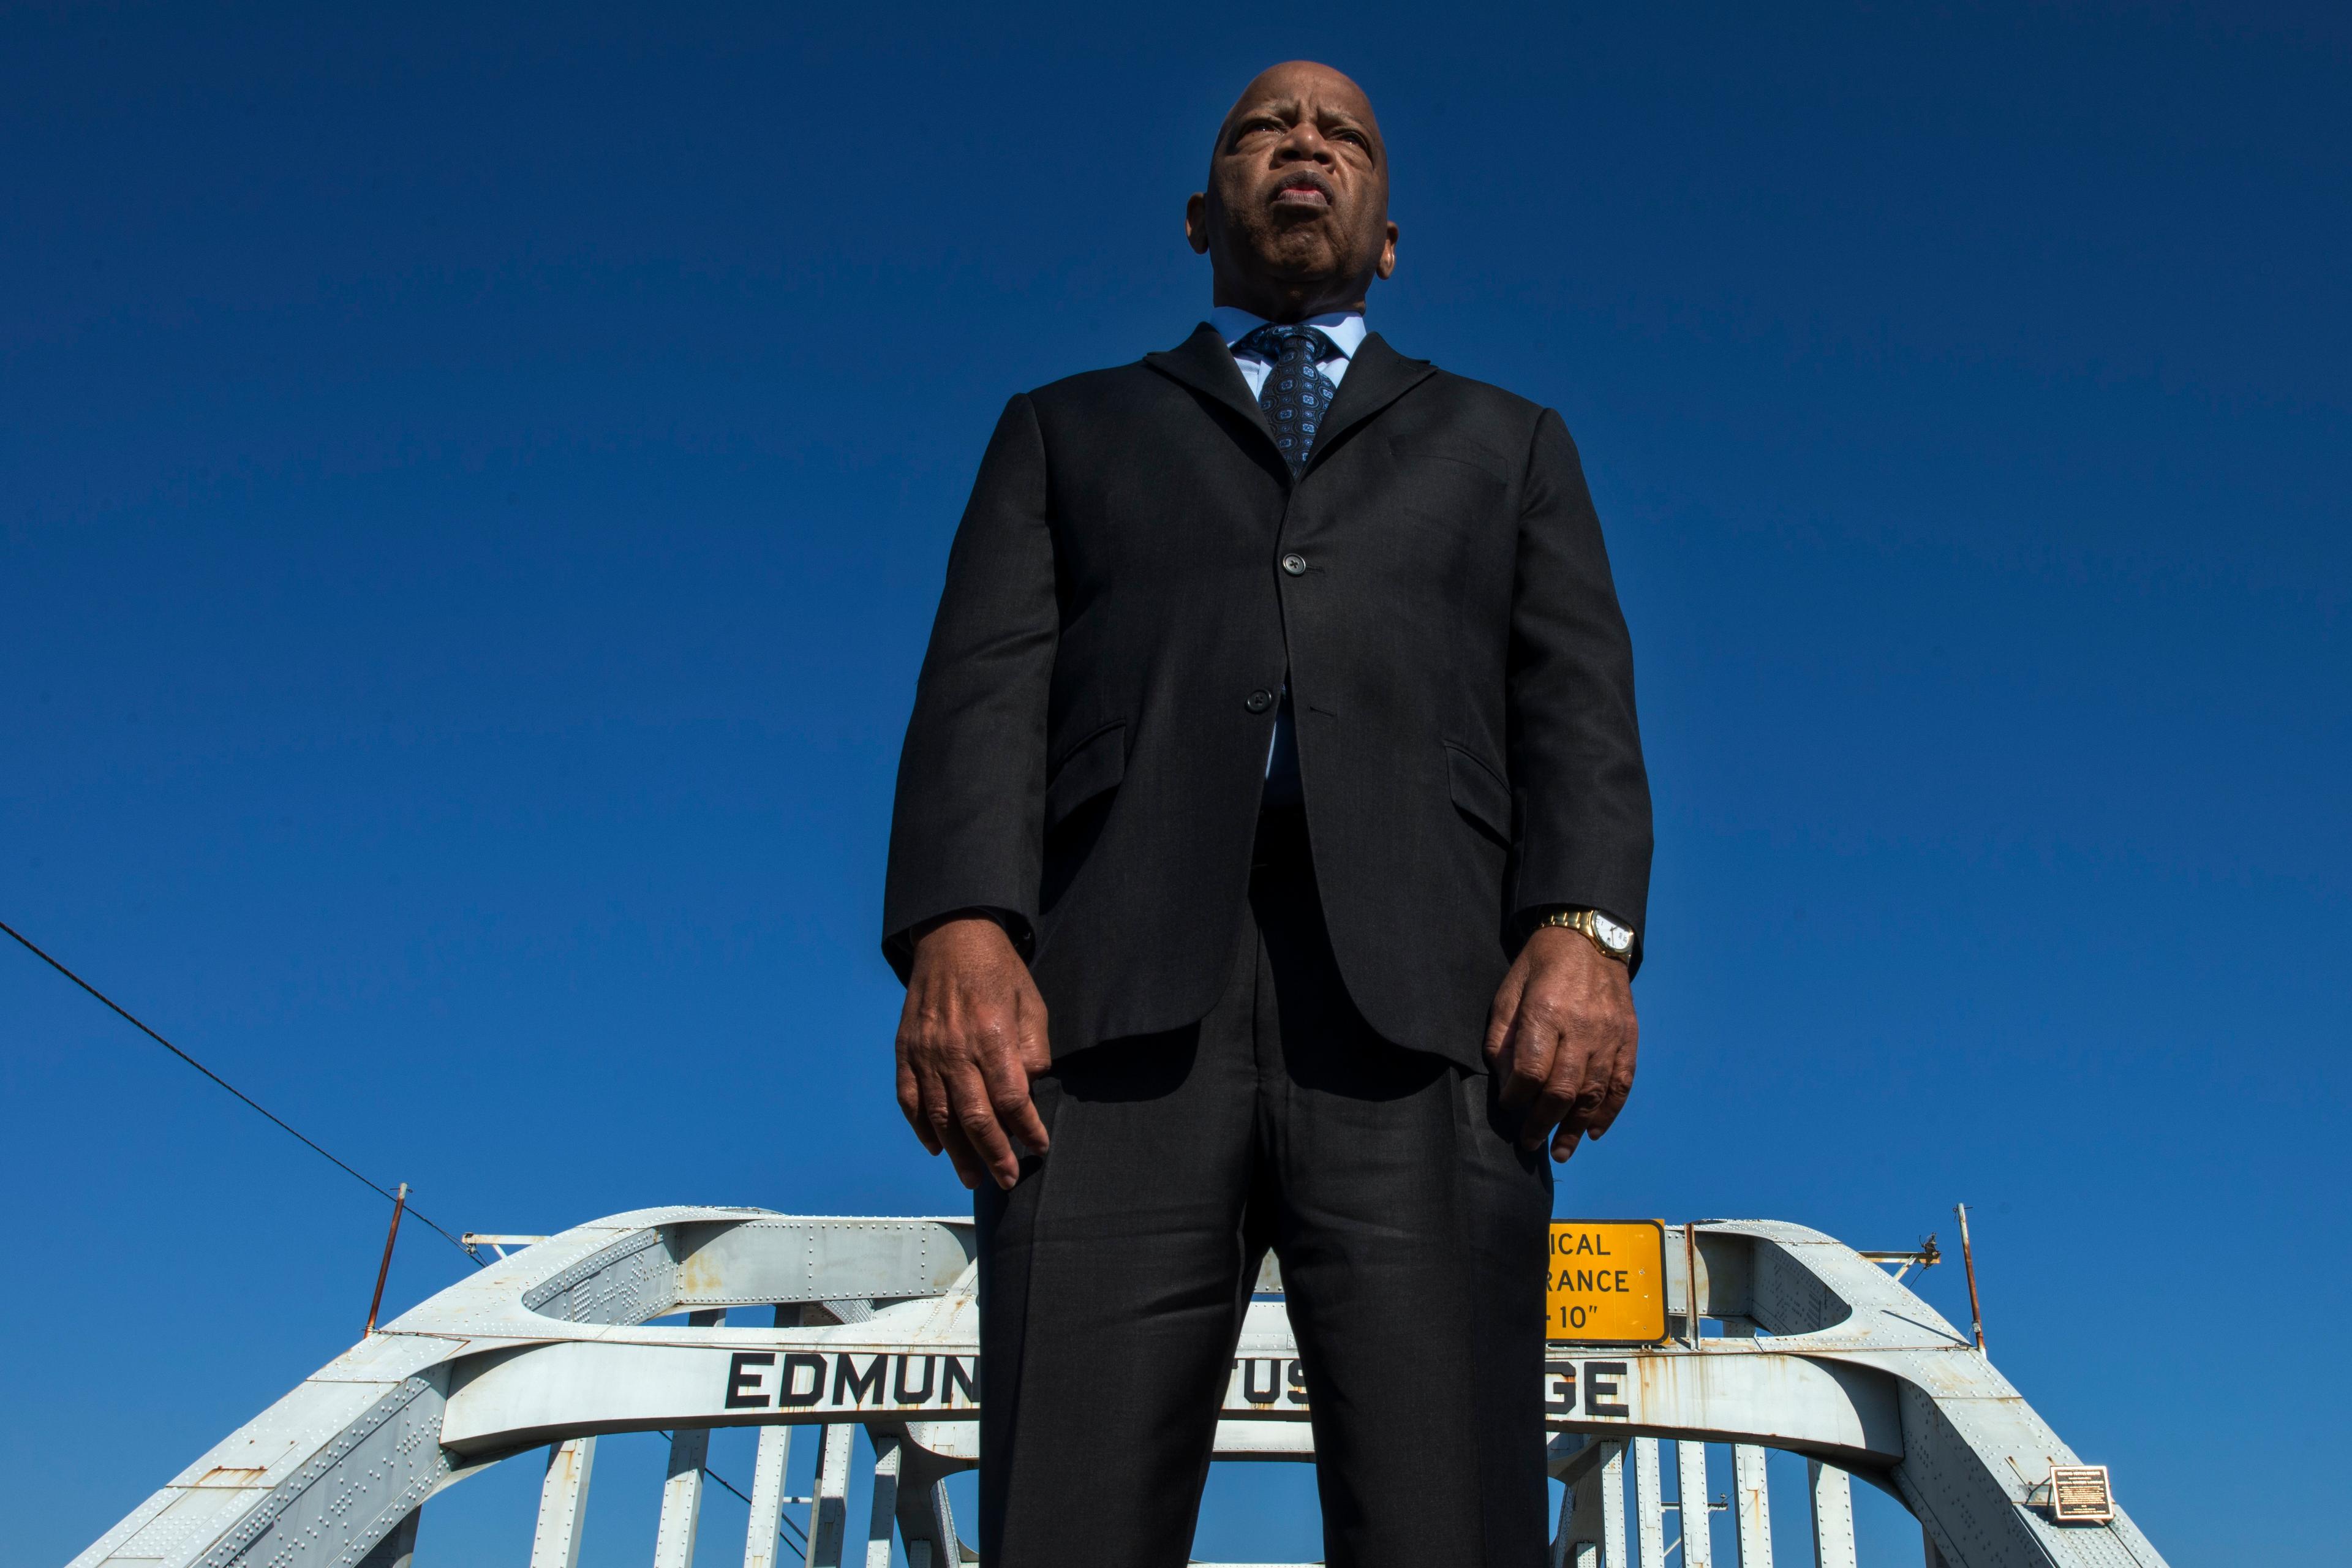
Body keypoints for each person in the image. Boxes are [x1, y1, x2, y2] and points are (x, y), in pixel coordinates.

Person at [881, 60, 1651, 1568]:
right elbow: (982, 686)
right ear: (1196, 212)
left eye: (1343, 135)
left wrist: (1584, 927)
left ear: (1389, 237)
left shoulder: (1512, 443)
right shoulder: (1063, 429)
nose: (1304, 145)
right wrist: (958, 922)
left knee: (1452, 1517)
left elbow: (1579, 708)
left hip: (1435, 1016)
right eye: (1263, 129)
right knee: (1068, 1518)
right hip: (1101, 1025)